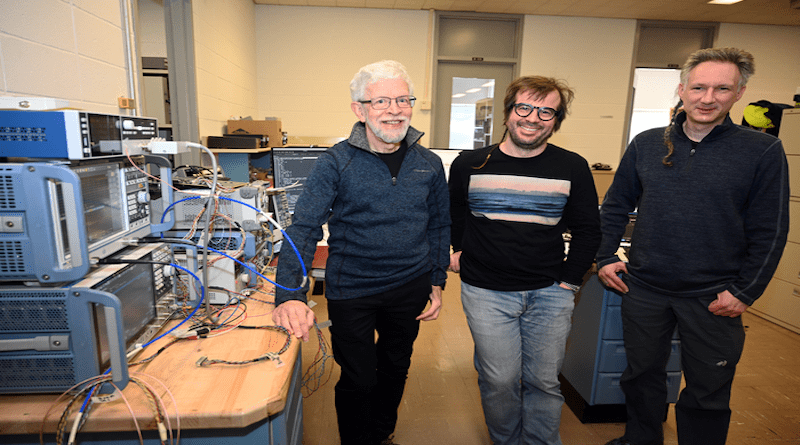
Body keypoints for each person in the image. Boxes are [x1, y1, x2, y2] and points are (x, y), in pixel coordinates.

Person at [597, 47, 789, 445]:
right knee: (641, 377)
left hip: (714, 296)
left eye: (722, 88)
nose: (707, 98)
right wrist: (604, 257)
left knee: (708, 389)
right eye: (699, 87)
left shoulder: (762, 150)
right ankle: (641, 440)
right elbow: (615, 206)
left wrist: (745, 292)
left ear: (739, 93)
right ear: (681, 90)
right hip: (645, 288)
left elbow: (770, 229)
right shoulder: (647, 143)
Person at [272, 60, 451, 445]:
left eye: (403, 99)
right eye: (382, 100)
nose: (395, 109)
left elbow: (439, 226)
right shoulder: (336, 162)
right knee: (358, 377)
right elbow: (303, 227)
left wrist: (437, 281)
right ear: (360, 108)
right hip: (352, 287)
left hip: (410, 285)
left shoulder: (429, 163)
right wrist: (289, 294)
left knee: (395, 368)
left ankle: (381, 434)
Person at [449, 76, 601, 445]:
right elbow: (452, 216)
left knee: (542, 381)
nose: (533, 118)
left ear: (556, 120)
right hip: (486, 291)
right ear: (508, 113)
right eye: (525, 108)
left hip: (550, 292)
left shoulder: (572, 166)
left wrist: (569, 282)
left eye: (546, 111)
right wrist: (454, 251)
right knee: (499, 380)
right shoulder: (471, 164)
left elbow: (588, 229)